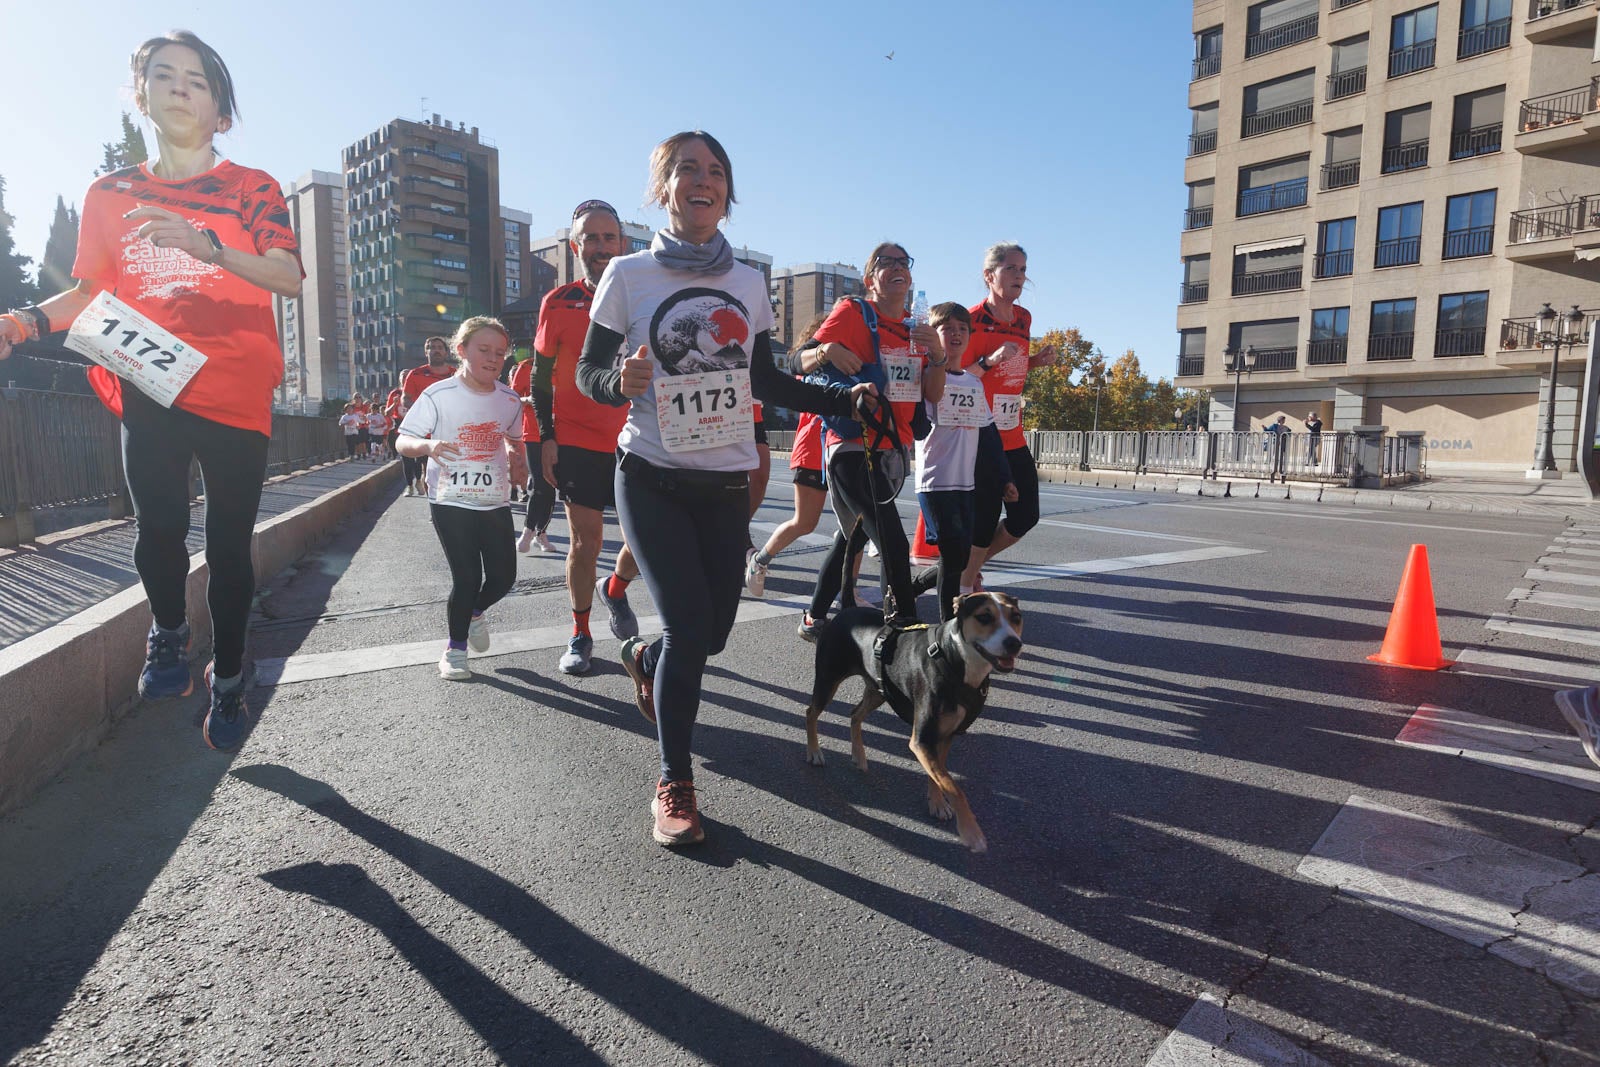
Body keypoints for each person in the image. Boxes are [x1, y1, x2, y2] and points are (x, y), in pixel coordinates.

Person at [0, 30, 302, 751]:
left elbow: (288, 275)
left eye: (196, 80)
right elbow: (89, 292)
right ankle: (168, 630)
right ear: (141, 96)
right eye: (163, 76)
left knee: (228, 547)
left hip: (234, 388)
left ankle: (231, 676)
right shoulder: (109, 193)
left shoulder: (251, 187)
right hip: (151, 379)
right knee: (158, 524)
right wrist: (23, 321)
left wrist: (209, 247)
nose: (178, 88)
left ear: (220, 109)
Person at [576, 130, 874, 847]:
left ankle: (644, 659)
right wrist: (619, 381)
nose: (702, 179)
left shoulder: (745, 281)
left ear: (727, 192)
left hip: (724, 481)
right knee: (687, 626)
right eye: (687, 169)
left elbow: (765, 379)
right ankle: (673, 781)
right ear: (664, 189)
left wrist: (843, 398)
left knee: (710, 636)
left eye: (715, 170)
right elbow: (589, 373)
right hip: (649, 474)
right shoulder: (628, 275)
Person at [798, 242, 947, 635]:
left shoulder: (916, 329)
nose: (897, 267)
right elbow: (799, 361)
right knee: (891, 540)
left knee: (852, 535)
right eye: (886, 262)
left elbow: (932, 395)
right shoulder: (853, 313)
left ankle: (814, 616)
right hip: (852, 443)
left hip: (892, 448)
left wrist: (938, 356)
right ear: (870, 279)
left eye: (903, 262)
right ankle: (903, 629)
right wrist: (827, 350)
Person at [531, 199, 642, 675]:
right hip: (577, 439)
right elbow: (540, 377)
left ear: (623, 244)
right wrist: (547, 437)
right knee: (586, 542)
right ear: (576, 247)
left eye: (608, 237)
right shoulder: (558, 302)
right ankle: (580, 632)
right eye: (590, 238)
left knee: (646, 540)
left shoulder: (644, 295)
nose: (601, 246)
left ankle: (614, 589)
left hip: (639, 437)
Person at [395, 317, 530, 680]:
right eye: (484, 350)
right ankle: (454, 651)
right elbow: (403, 441)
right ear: (462, 351)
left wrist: (517, 460)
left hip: (493, 498)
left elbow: (513, 437)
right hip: (449, 498)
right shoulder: (438, 395)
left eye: (500, 353)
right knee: (467, 577)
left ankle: (474, 612)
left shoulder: (509, 399)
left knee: (503, 577)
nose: (493, 358)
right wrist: (428, 446)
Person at [960, 244, 1058, 593]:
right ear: (989, 275)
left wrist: (1035, 362)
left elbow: (1010, 367)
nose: (1020, 276)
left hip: (1012, 433)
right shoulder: (970, 320)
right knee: (984, 519)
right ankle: (964, 585)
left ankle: (966, 569)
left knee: (1025, 515)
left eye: (1023, 269)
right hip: (979, 433)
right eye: (1011, 269)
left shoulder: (1024, 318)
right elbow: (959, 376)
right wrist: (991, 359)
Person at [911, 303, 1015, 621]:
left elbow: (988, 434)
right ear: (933, 335)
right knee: (953, 554)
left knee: (957, 558)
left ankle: (908, 589)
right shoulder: (925, 377)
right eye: (947, 328)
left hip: (966, 484)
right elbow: (916, 426)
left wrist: (1005, 479)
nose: (956, 334)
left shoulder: (973, 383)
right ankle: (950, 626)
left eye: (962, 328)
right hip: (935, 480)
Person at [508, 351, 556, 553]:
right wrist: (529, 399)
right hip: (534, 433)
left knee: (551, 485)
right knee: (539, 484)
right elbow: (512, 399)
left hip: (562, 434)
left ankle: (541, 533)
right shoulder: (526, 367)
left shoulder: (569, 367)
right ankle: (528, 531)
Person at [401, 336, 455, 494]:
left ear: (446, 352)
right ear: (426, 352)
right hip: (425, 432)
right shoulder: (415, 374)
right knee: (428, 470)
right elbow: (406, 399)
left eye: (440, 347)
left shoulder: (457, 374)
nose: (436, 350)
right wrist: (425, 413)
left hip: (451, 430)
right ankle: (433, 504)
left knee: (452, 468)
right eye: (432, 347)